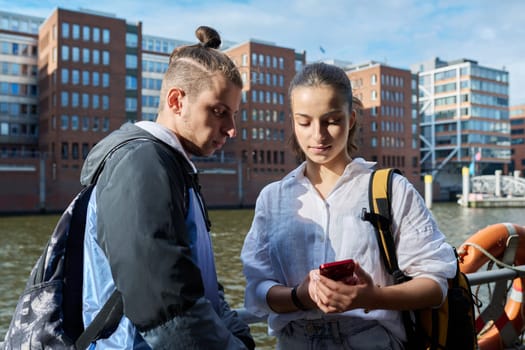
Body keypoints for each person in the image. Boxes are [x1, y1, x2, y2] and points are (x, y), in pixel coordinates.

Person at [241, 62, 456, 349]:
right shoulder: (273, 198)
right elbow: (257, 289)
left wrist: (372, 297)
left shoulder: (391, 189)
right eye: (304, 122)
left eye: (331, 120)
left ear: (351, 118)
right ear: (293, 121)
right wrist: (301, 296)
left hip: (371, 339)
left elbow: (435, 282)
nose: (318, 135)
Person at [79, 26, 254, 349]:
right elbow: (165, 306)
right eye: (219, 112)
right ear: (177, 101)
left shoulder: (172, 167)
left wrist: (239, 337)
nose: (231, 129)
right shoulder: (141, 164)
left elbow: (197, 284)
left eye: (234, 115)